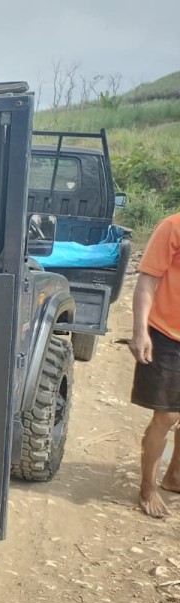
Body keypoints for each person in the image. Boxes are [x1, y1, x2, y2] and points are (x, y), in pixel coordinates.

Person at [129, 211, 180, 518]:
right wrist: (140, 331)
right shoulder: (172, 227)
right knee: (168, 414)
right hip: (167, 334)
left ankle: (174, 477)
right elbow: (147, 281)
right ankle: (148, 488)